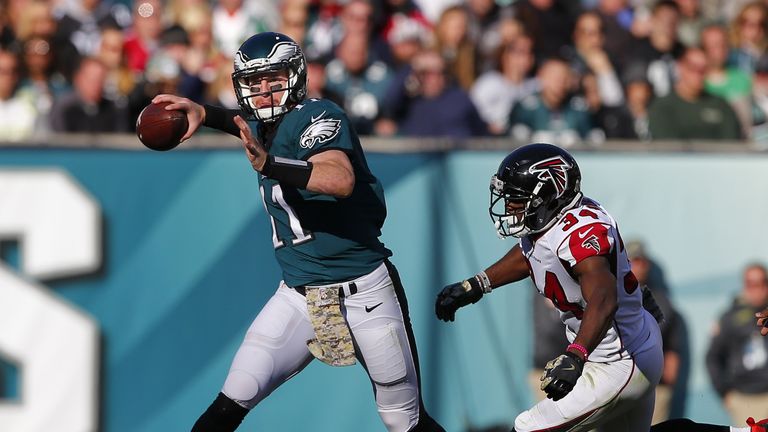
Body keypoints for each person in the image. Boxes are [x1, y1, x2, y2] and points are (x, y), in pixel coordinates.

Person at [151, 32, 444, 432]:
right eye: (254, 82)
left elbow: (339, 179)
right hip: (299, 295)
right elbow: (248, 124)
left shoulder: (318, 115)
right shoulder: (265, 126)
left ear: (296, 76)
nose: (264, 91)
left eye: (274, 78)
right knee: (229, 403)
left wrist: (272, 166)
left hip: (364, 291)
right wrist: (204, 112)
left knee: (404, 422)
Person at [433, 143, 767, 432]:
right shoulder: (553, 223)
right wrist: (479, 284)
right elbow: (530, 254)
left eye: (519, 199)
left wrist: (575, 356)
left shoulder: (580, 233)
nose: (510, 207)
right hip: (620, 349)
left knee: (527, 427)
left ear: (549, 194)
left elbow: (603, 298)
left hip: (619, 360)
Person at [706, 263, 768, 425]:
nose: (757, 289)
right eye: (751, 284)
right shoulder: (730, 318)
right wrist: (725, 393)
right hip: (743, 398)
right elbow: (712, 357)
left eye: (762, 283)